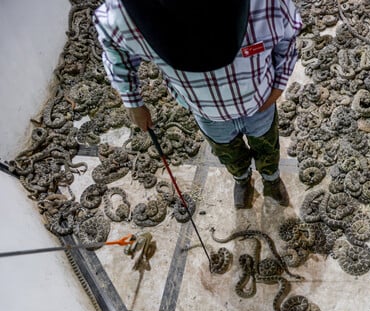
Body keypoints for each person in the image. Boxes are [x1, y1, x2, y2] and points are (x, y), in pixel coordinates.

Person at [93, 0, 302, 209]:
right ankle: (242, 179)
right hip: (207, 114)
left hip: (260, 106)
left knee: (267, 146)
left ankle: (271, 179)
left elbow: (288, 39)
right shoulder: (120, 16)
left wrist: (277, 90)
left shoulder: (266, 4)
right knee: (227, 152)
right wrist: (133, 102)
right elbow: (116, 54)